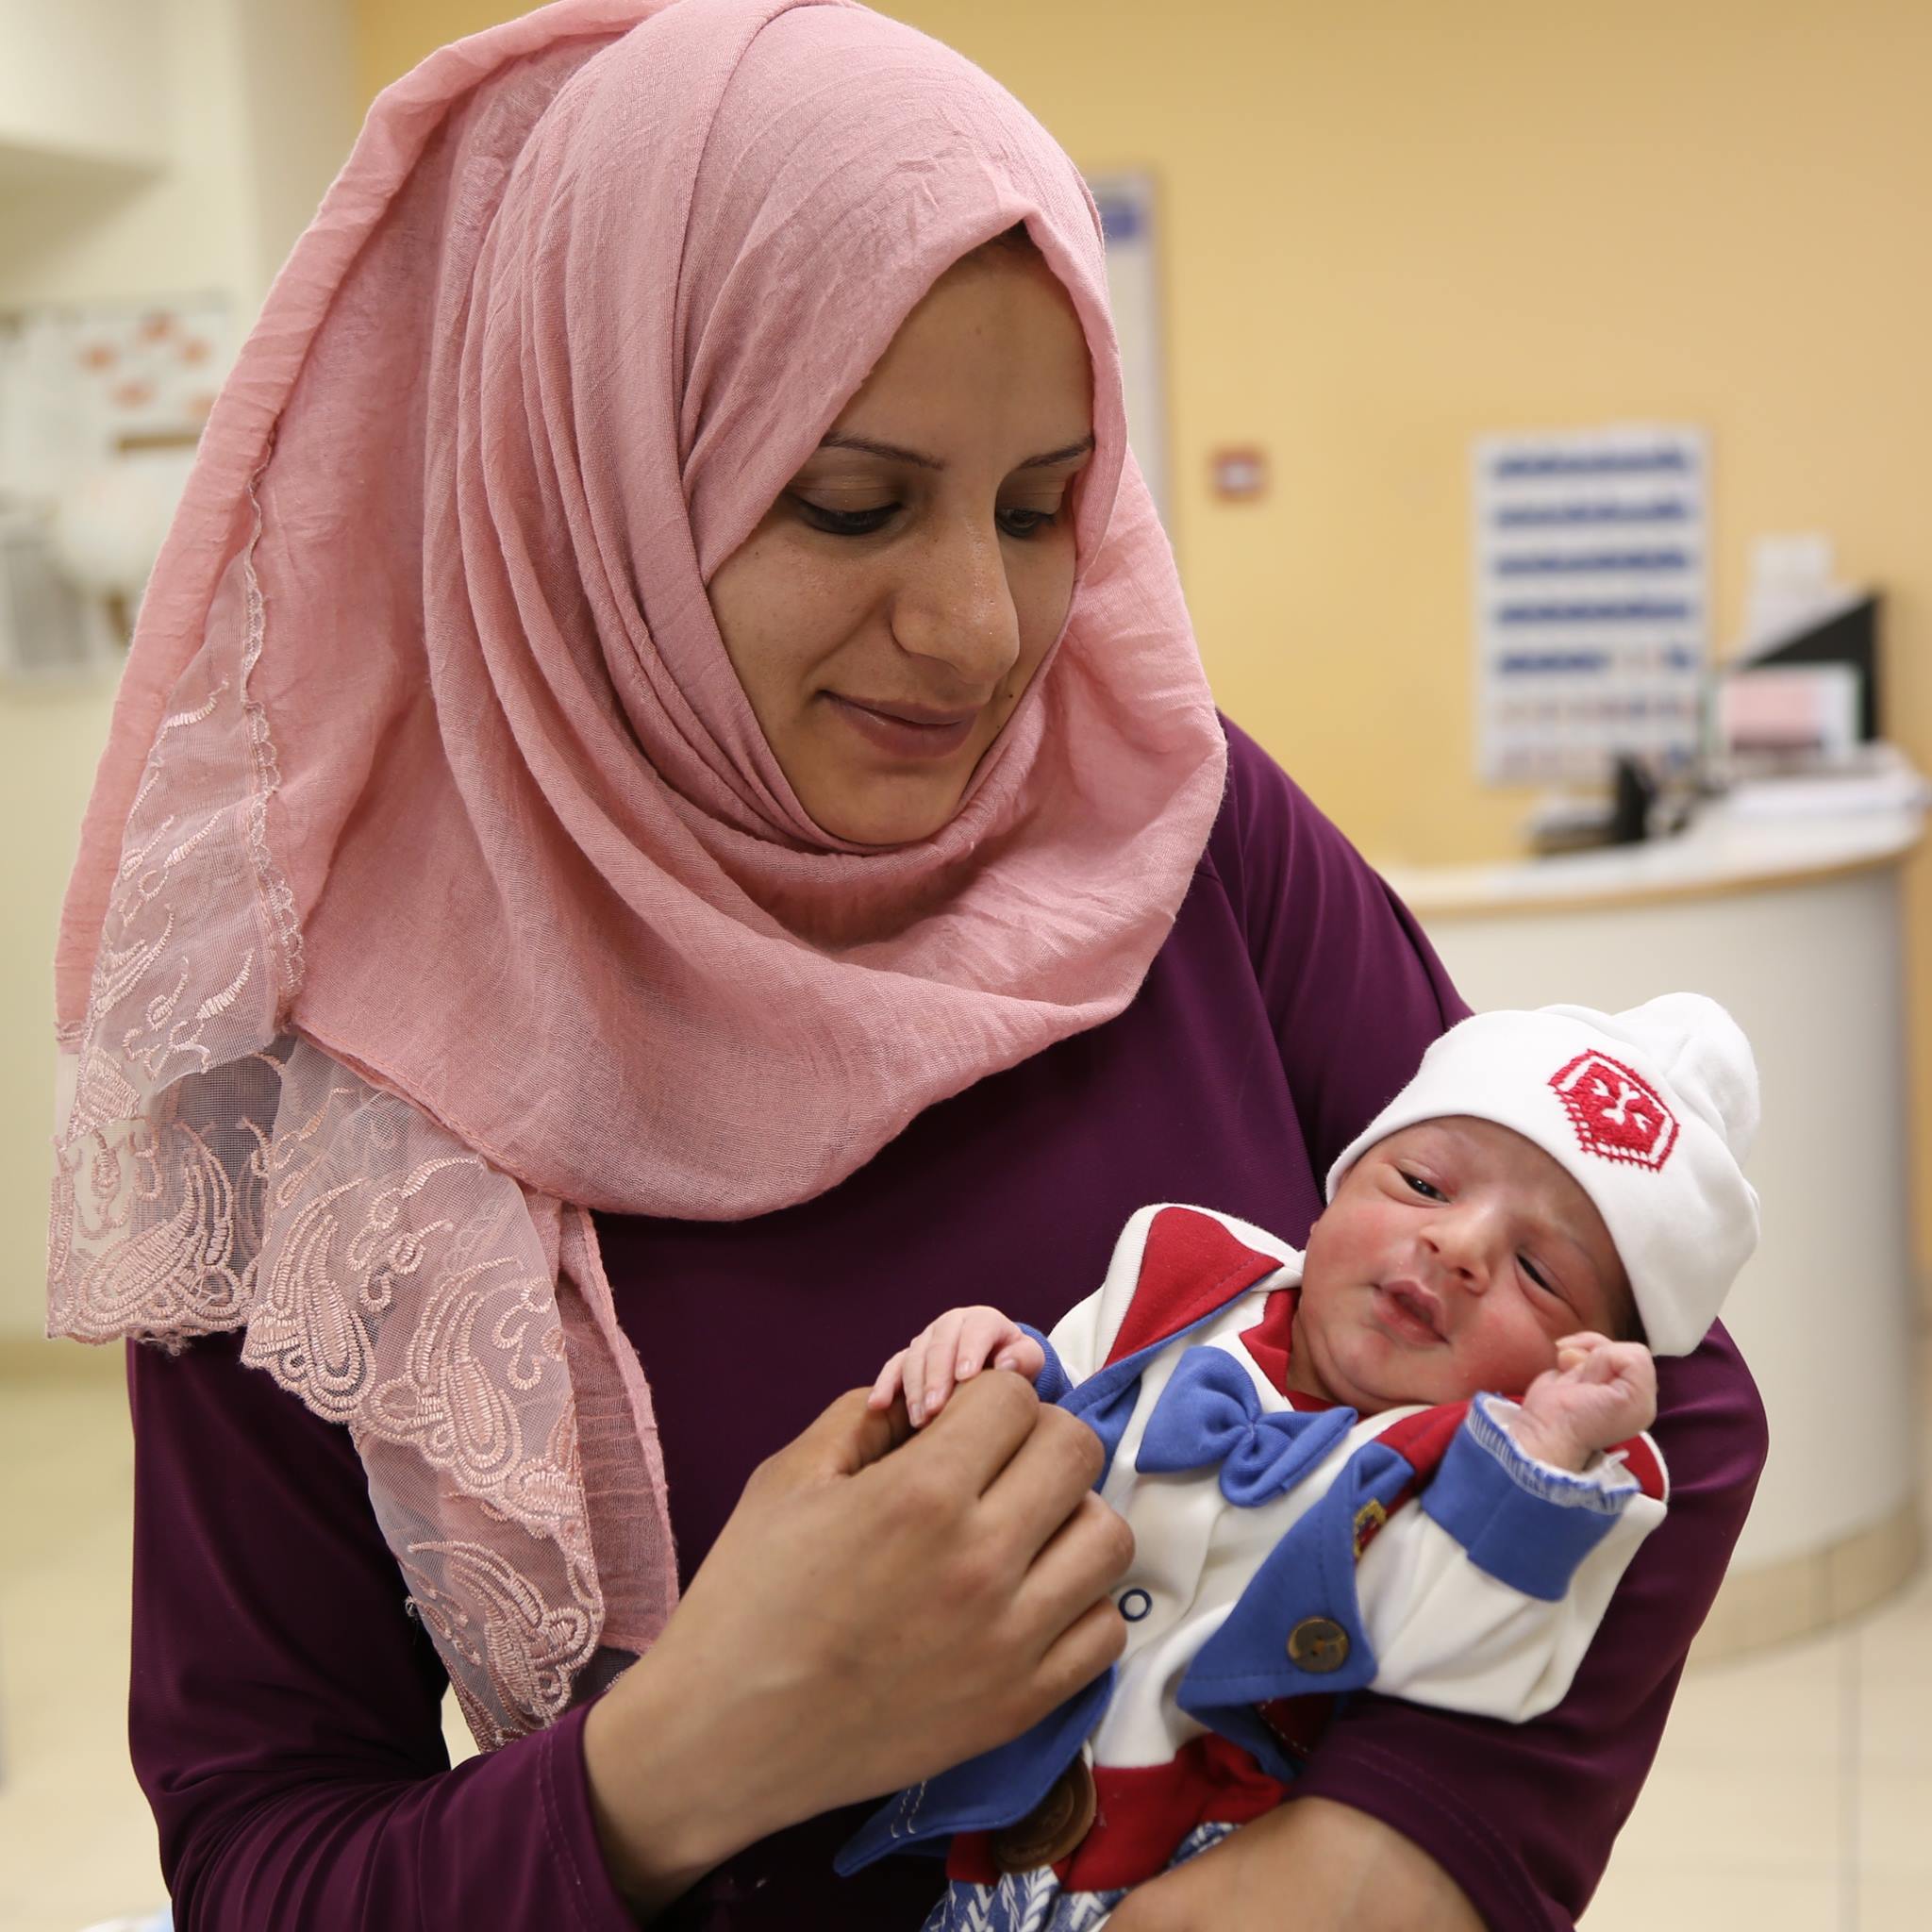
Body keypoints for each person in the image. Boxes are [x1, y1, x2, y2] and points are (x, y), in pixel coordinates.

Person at [43, 2, 1766, 1927]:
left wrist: (1380, 1855)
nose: (977, 627)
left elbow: (1662, 1384)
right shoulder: (314, 1093)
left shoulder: (1167, 825)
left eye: (1045, 507)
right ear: (589, 477)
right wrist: (698, 1749)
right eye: (849, 501)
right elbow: (268, 1852)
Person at [857, 995, 1758, 1929]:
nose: (1457, 1246)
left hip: (1230, 1864)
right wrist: (1003, 1362)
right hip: (996, 1835)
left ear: (1571, 1357)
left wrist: (1538, 1463)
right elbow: (1071, 1406)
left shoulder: (1479, 1481)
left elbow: (1450, 1660)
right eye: (1422, 1182)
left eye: (1538, 1272)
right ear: (1336, 1184)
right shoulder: (1186, 1277)